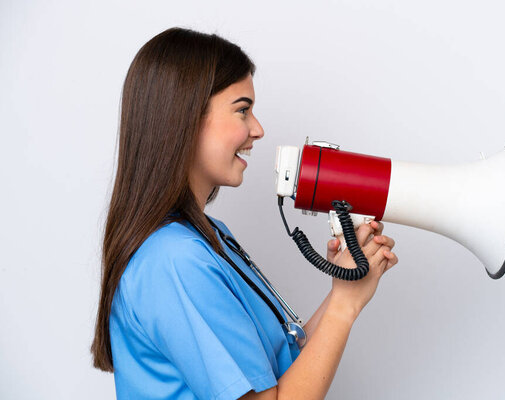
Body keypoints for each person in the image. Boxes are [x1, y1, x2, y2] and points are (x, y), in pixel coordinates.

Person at [91, 27, 398, 400]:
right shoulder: (174, 260)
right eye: (242, 110)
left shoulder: (207, 235)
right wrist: (345, 307)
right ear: (185, 117)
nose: (258, 129)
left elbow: (286, 368)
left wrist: (343, 291)